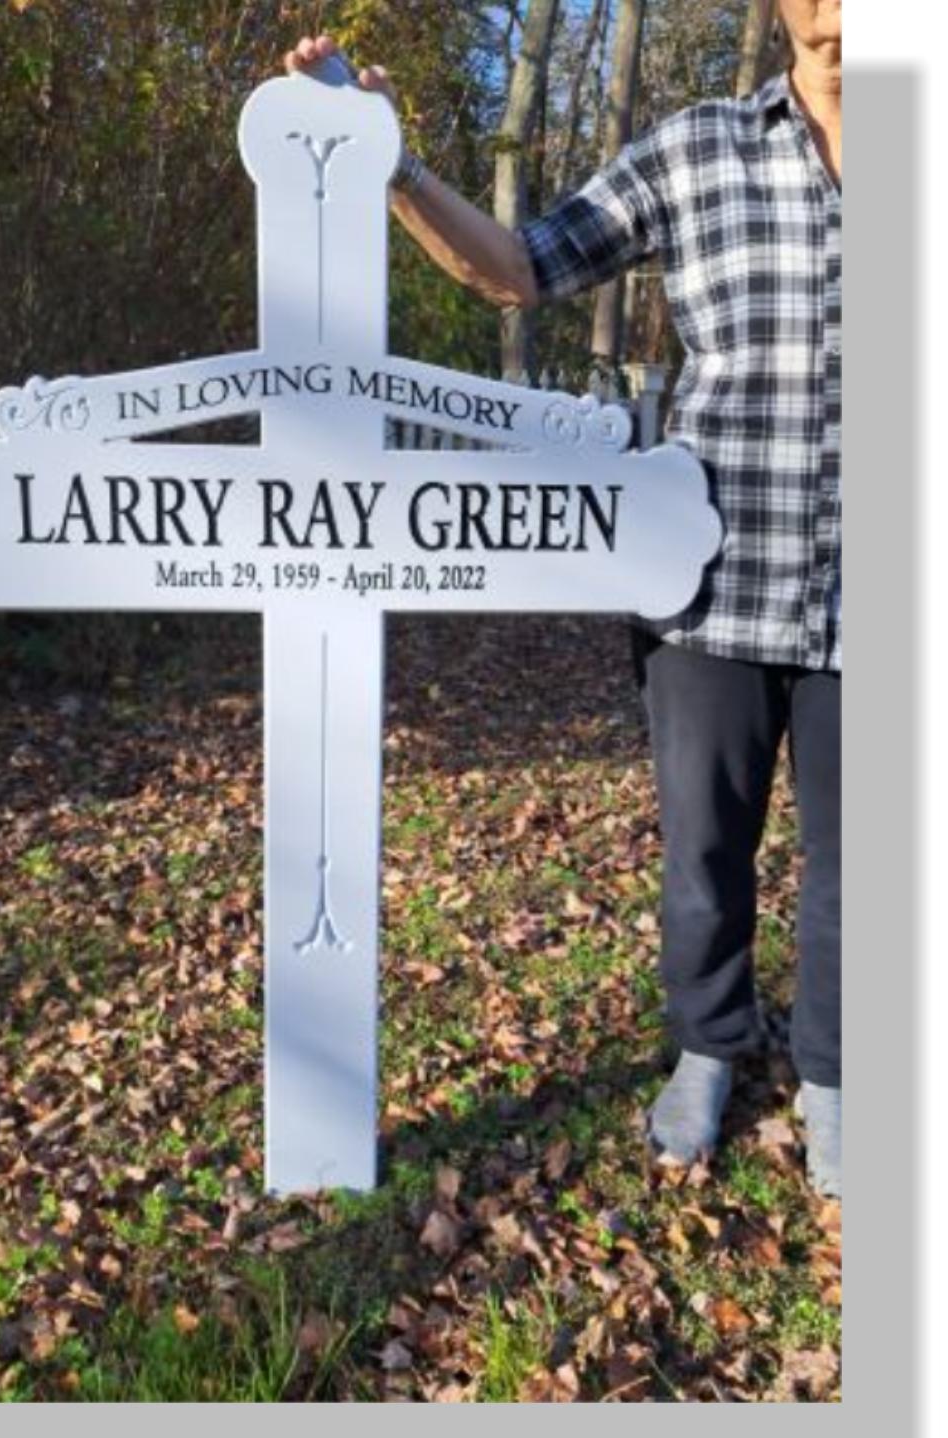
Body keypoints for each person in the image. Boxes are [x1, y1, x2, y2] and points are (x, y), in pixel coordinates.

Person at [284, 0, 841, 1198]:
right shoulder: (697, 148)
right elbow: (522, 268)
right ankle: (708, 1046)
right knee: (704, 848)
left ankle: (842, 1077)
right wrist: (398, 167)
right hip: (710, 584)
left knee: (874, 865)